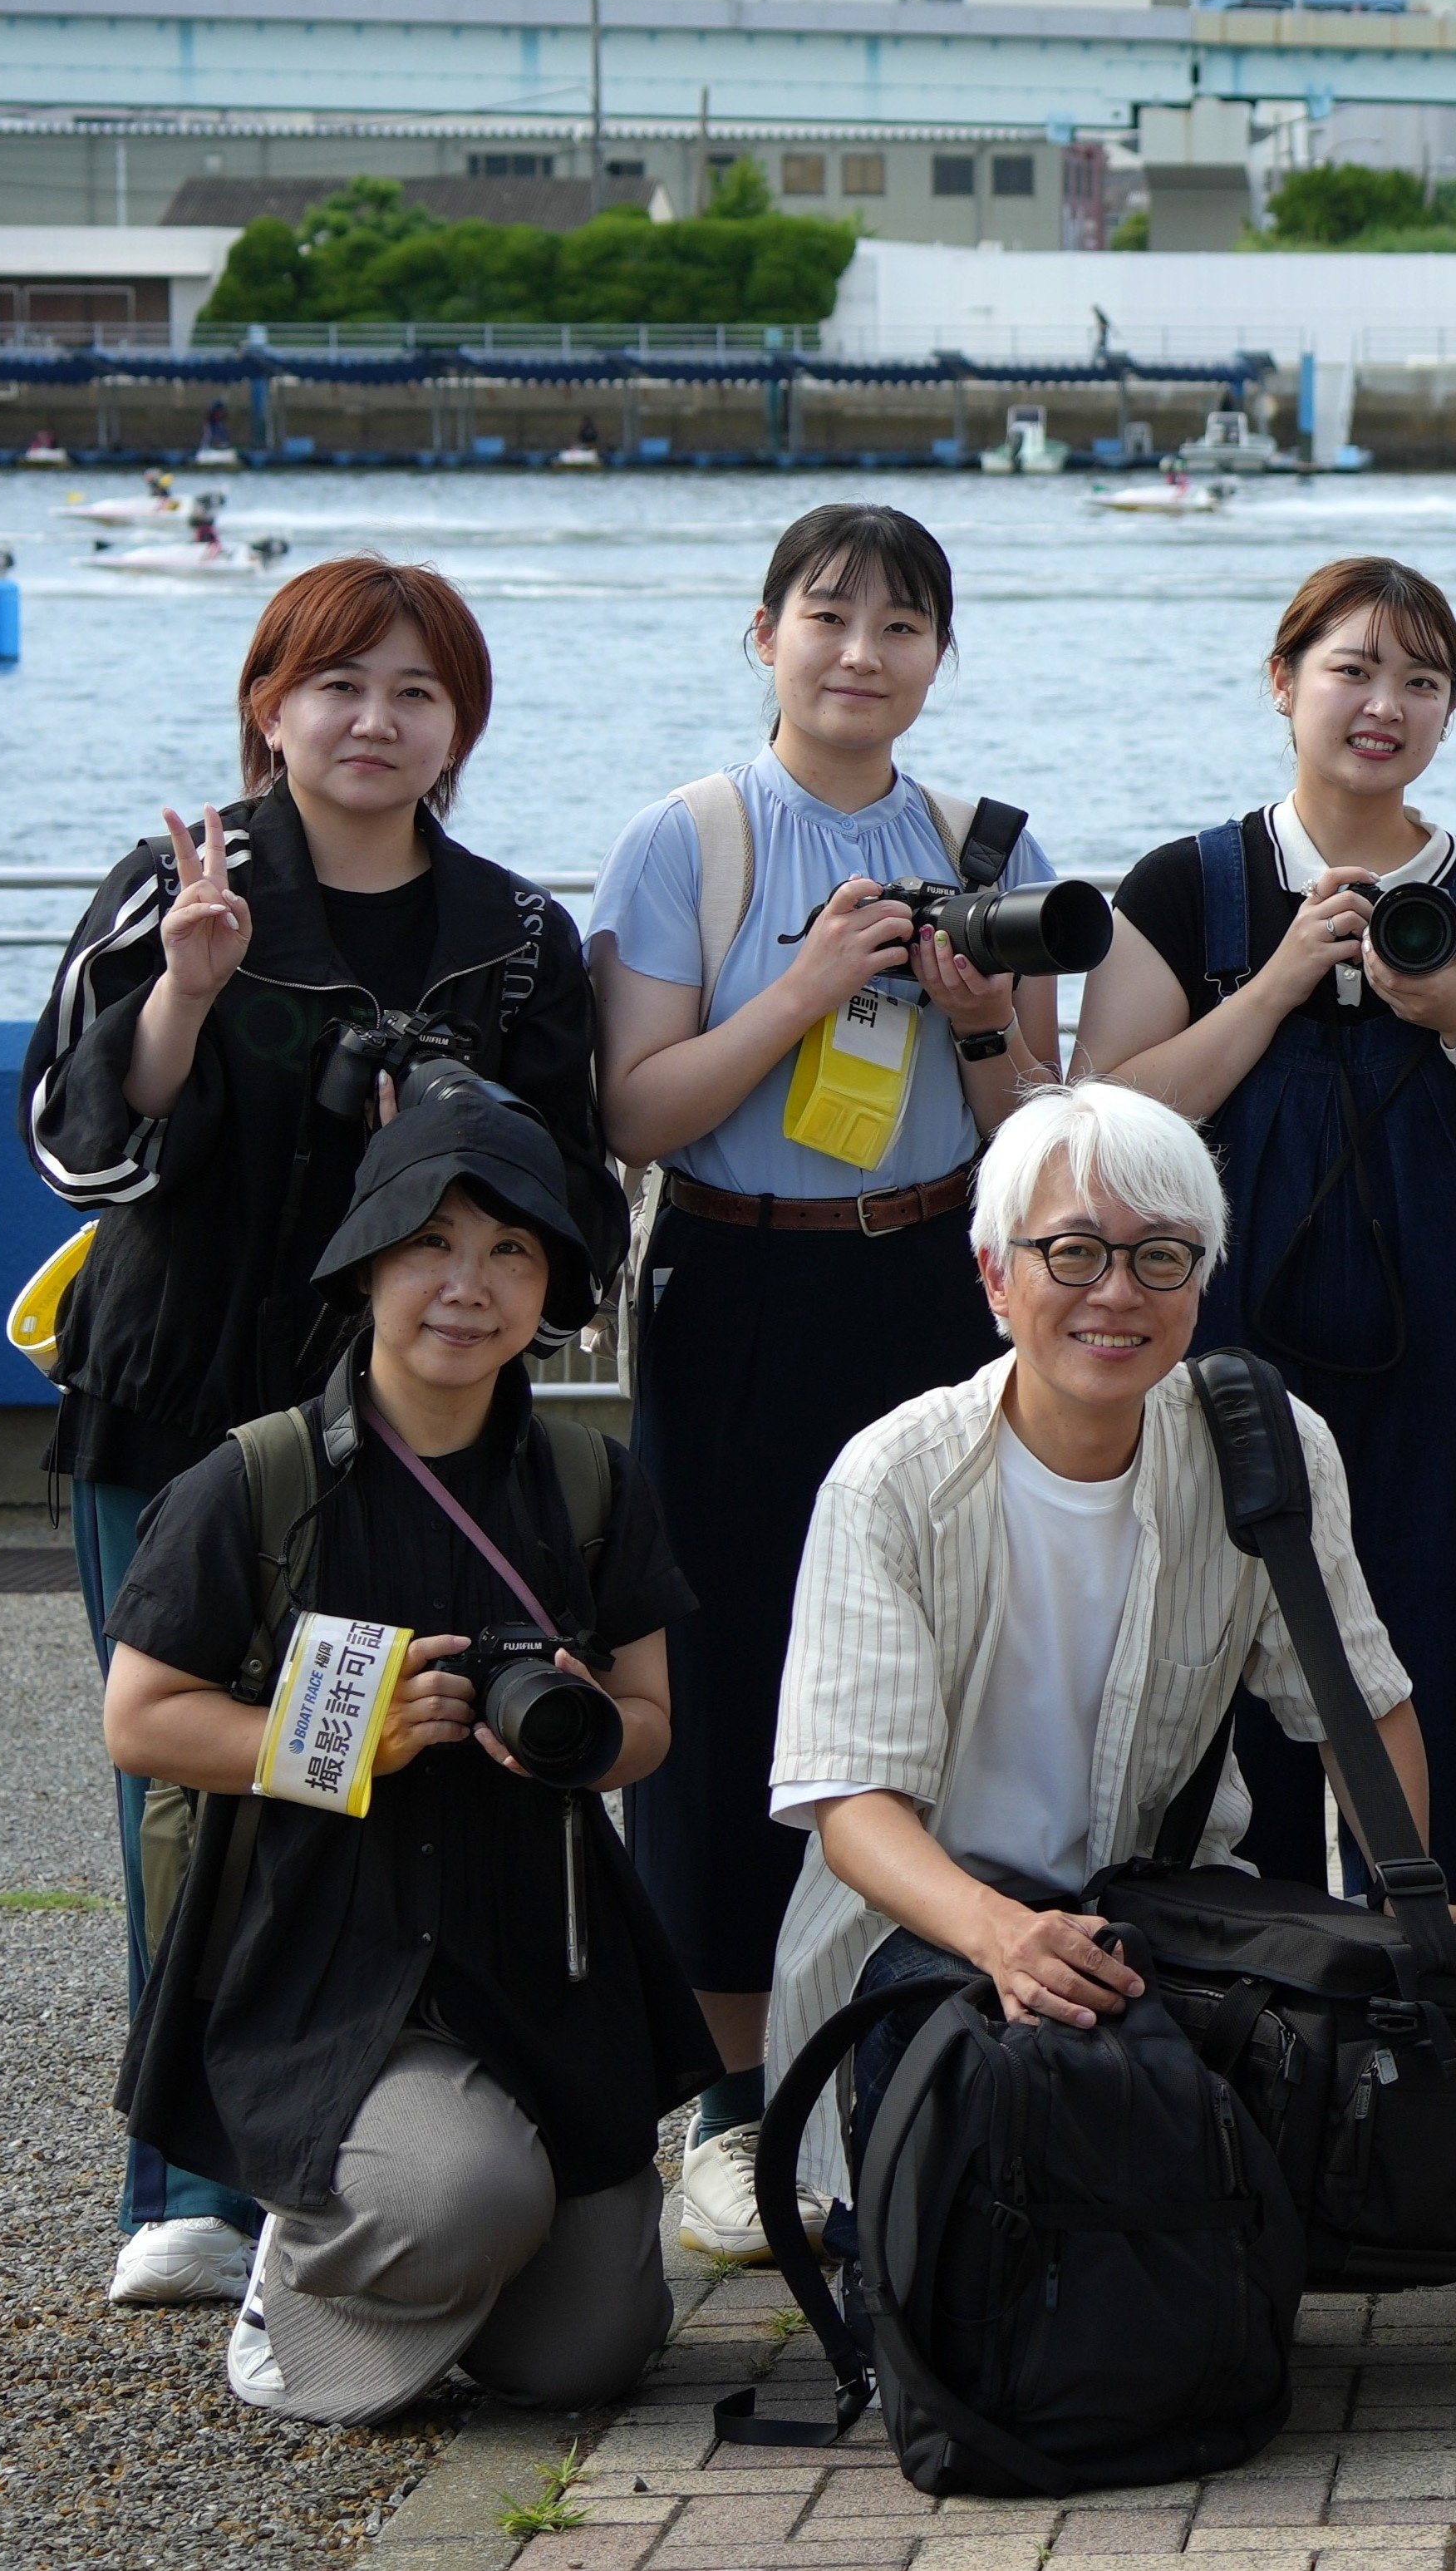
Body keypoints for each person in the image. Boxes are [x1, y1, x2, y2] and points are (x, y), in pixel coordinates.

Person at [23, 553, 615, 2312]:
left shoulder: (517, 933)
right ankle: (183, 2182)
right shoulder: (181, 885)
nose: (376, 721)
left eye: (417, 692)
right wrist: (190, 991)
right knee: (198, 1774)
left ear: (461, 728)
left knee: (371, 1760)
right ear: (267, 708)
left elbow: (577, 1207)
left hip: (402, 1430)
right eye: (339, 685)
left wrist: (460, 1131)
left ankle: (350, 2158)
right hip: (177, 1405)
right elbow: (76, 1144)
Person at [587, 503, 1064, 2263]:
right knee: (719, 1680)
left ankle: (910, 2045)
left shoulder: (983, 843)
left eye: (902, 626)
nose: (861, 654)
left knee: (935, 1661)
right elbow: (636, 1111)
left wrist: (975, 1014)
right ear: (764, 634)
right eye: (828, 616)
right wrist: (803, 989)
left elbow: (1035, 1128)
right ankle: (726, 2108)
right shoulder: (689, 839)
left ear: (941, 656)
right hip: (735, 1279)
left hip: (931, 1276)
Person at [101, 1075, 711, 2423]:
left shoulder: (589, 1483)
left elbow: (650, 1726)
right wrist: (345, 1744)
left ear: (551, 1285)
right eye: (431, 1241)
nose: (468, 1284)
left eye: (510, 1250)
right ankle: (303, 2272)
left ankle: (442, 2240)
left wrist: (581, 1735)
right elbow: (140, 1718)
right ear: (368, 1259)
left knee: (584, 2356)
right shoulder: (256, 1481)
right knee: (463, 2194)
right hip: (327, 1952)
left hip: (531, 1950)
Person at [760, 1082, 1428, 2213]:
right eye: (1072, 1251)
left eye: (1160, 1256)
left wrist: (1417, 1909)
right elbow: (851, 1803)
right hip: (930, 1923)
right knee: (1020, 2136)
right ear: (995, 1274)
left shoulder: (1265, 1448)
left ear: (1200, 1281)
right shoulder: (893, 1480)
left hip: (1157, 1911)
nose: (1117, 1292)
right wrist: (1005, 1936)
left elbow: (1359, 1707)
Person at [1076, 555, 1456, 1878]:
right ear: (1282, 681)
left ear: (1450, 709)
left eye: (1421, 681)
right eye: (1352, 670)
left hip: (1452, 1347)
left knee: (1446, 1640)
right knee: (1227, 1635)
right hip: (1229, 1334)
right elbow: (1108, 1127)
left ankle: (1440, 1946)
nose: (1385, 705)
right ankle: (1248, 1952)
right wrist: (1272, 985)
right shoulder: (1189, 884)